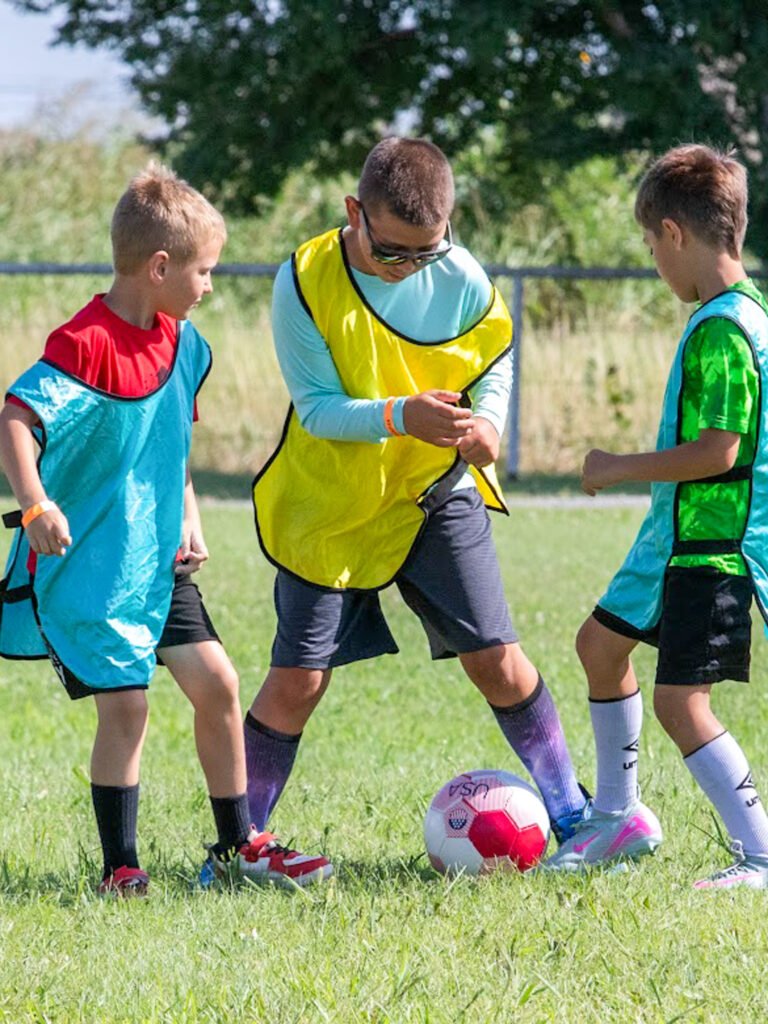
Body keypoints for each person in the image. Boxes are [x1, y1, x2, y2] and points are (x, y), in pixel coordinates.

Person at [211, 136, 589, 886]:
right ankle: (237, 848)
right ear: (355, 212)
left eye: (427, 251)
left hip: (432, 492)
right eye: (392, 251)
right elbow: (318, 409)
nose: (410, 267)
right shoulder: (304, 280)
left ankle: (575, 815)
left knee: (497, 659)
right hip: (329, 506)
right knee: (298, 680)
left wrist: (490, 424)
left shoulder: (462, 275)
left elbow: (495, 356)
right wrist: (400, 415)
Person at [0, 163, 255, 895]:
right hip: (94, 569)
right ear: (160, 267)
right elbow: (15, 419)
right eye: (204, 271)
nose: (210, 286)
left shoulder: (182, 344)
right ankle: (121, 869)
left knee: (218, 684)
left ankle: (238, 849)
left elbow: (169, 445)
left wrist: (190, 519)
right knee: (127, 707)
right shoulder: (84, 344)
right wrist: (36, 506)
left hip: (158, 563)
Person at [547, 143, 768, 889]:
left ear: (675, 232)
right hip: (671, 542)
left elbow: (719, 451)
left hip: (712, 547)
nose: (654, 262)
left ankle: (760, 854)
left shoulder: (724, 330)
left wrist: (617, 466)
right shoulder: (741, 314)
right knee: (599, 647)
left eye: (650, 246)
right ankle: (620, 817)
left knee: (681, 702)